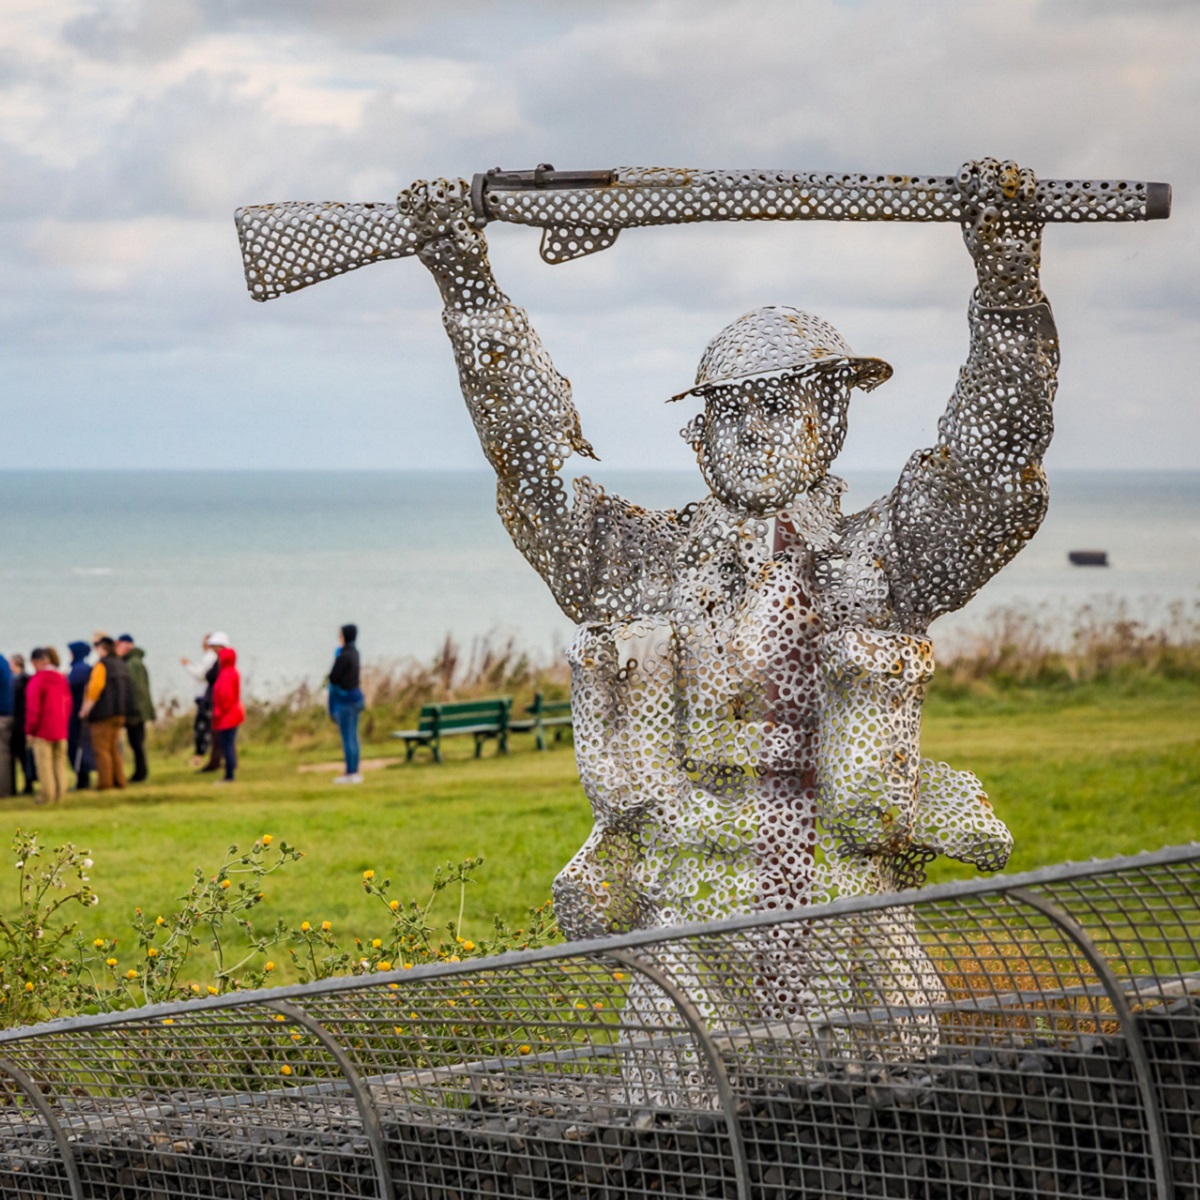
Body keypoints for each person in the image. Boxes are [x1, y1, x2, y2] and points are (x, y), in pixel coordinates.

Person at [403, 159, 1055, 953]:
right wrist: (467, 286)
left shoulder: (882, 558)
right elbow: (531, 473)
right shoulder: (646, 562)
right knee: (678, 1058)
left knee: (891, 1066)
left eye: (780, 406)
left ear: (831, 417)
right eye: (730, 412)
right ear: (700, 432)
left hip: (846, 905)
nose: (752, 430)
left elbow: (991, 468)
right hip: (685, 900)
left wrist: (1010, 286)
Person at [79, 635, 135, 791]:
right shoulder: (121, 664)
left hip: (103, 713)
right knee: (114, 749)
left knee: (101, 750)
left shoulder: (101, 666)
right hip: (119, 712)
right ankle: (119, 780)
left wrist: (85, 709)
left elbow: (95, 689)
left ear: (103, 649)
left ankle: (105, 783)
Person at [25, 648, 72, 804]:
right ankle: (61, 794)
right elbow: (68, 703)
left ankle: (47, 796)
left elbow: (33, 708)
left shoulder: (38, 680)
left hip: (43, 729)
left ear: (35, 662)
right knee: (59, 763)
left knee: (44, 765)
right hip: (61, 727)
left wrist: (30, 729)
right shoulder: (60, 678)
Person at [328, 624, 365, 784]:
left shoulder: (343, 656)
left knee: (347, 737)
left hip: (346, 701)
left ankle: (350, 773)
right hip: (357, 698)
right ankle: (355, 770)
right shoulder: (355, 653)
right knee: (353, 736)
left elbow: (333, 677)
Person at [116, 634, 155, 782]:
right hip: (140, 708)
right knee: (137, 742)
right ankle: (141, 771)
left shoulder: (132, 664)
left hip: (136, 710)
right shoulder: (135, 662)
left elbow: (134, 688)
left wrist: (131, 709)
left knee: (136, 743)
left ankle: (141, 772)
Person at [181, 634, 218, 766]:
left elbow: (201, 675)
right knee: (207, 727)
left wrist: (187, 665)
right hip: (206, 696)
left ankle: (199, 756)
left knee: (202, 727)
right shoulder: (211, 657)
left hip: (205, 697)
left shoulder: (210, 657)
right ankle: (210, 755)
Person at [211, 646, 245, 784]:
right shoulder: (232, 672)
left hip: (227, 716)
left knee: (226, 744)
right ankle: (229, 771)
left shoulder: (226, 674)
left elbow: (226, 695)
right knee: (228, 744)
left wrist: (219, 711)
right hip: (232, 713)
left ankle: (229, 775)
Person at [197, 632, 230, 773]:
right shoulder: (222, 661)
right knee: (219, 734)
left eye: (214, 646)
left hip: (217, 701)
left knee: (217, 733)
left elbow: (210, 676)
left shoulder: (222, 663)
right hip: (217, 700)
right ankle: (220, 760)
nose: (213, 649)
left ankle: (217, 762)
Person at [66, 641, 95, 789]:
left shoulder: (79, 670)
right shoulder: (84, 668)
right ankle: (83, 778)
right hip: (79, 712)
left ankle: (82, 779)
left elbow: (69, 688)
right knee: (80, 745)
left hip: (75, 713)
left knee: (75, 746)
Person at [10, 654, 35, 795]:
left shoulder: (16, 682)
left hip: (16, 722)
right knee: (26, 756)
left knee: (14, 756)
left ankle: (14, 787)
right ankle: (29, 783)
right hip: (25, 722)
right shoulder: (29, 679)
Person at [0, 653, 12, 797]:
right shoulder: (3, 661)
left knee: (2, 754)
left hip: (2, 714)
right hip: (7, 712)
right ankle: (6, 789)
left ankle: (3, 791)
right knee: (5, 753)